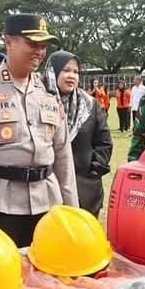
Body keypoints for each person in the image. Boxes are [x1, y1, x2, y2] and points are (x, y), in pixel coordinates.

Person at [0, 13, 78, 247]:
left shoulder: (48, 92)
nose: (39, 52)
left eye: (43, 46)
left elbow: (63, 154)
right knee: (2, 277)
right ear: (9, 41)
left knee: (46, 276)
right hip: (0, 205)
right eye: (32, 44)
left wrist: (72, 207)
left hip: (47, 204)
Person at [44, 50, 112, 216]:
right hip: (47, 186)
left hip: (84, 187)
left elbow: (104, 141)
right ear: (52, 72)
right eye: (66, 70)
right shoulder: (39, 101)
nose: (72, 76)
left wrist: (94, 169)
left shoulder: (89, 105)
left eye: (76, 72)